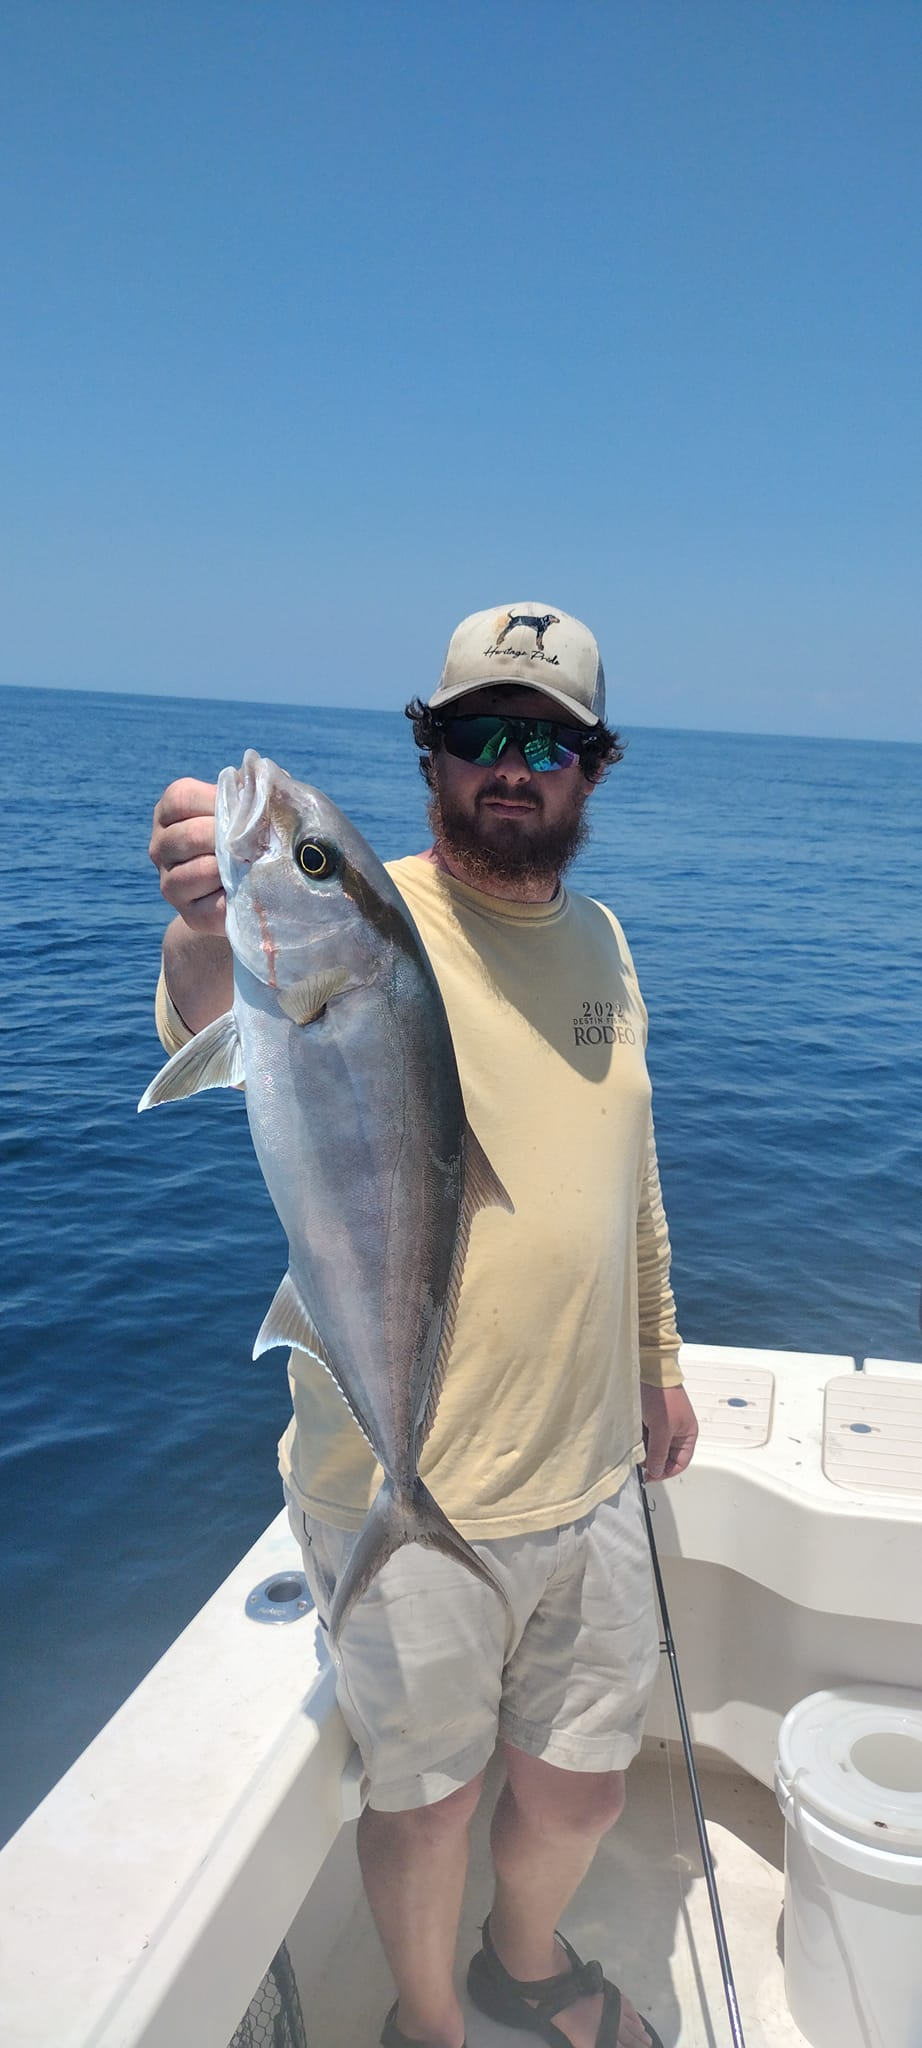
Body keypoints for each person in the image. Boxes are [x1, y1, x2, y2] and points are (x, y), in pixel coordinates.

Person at [149, 601, 698, 2048]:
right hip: (395, 1475)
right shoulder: (366, 917)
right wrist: (207, 921)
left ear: (591, 768)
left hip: (590, 1473)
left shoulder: (603, 942)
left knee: (581, 1789)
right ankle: (431, 2028)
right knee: (427, 1804)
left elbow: (627, 1172)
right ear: (432, 753)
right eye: (477, 733)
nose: (511, 765)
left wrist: (656, 1359)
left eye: (547, 743)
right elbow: (214, 1004)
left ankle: (525, 1964)